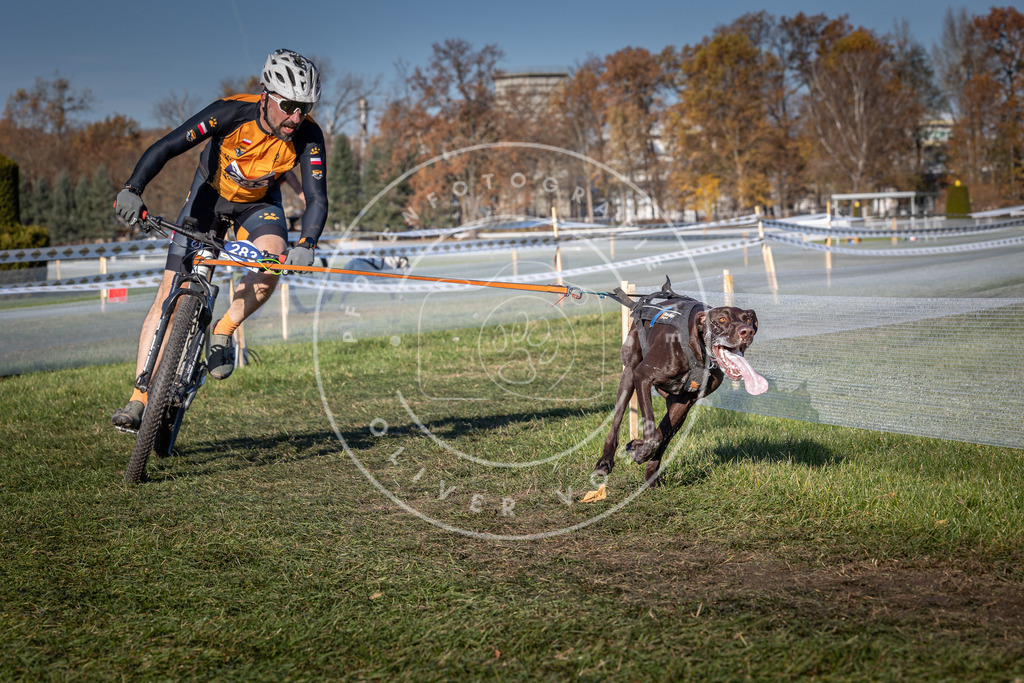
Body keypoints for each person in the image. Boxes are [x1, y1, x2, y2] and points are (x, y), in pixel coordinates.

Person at [111, 49, 328, 431]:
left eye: (305, 108)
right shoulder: (229, 113)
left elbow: (316, 198)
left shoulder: (308, 135)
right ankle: (139, 397)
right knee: (167, 295)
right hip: (208, 198)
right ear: (266, 95)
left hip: (258, 206)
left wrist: (307, 244)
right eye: (289, 106)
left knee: (273, 261)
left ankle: (224, 329)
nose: (296, 117)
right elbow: (168, 146)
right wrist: (133, 188)